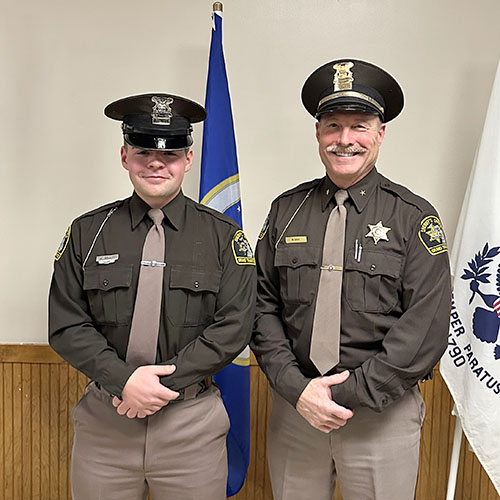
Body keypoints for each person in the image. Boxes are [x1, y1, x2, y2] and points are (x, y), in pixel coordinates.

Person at [251, 59, 451, 500]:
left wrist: (349, 394)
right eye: (333, 126)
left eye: (359, 126)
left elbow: (425, 328)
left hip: (381, 417)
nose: (345, 140)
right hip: (296, 410)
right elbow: (260, 306)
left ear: (380, 133)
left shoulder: (413, 217)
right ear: (318, 133)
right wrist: (296, 389)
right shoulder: (286, 211)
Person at [48, 93, 256, 500]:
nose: (156, 162)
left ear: (189, 159)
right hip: (106, 423)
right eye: (143, 150)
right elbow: (67, 323)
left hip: (190, 423)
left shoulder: (223, 236)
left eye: (172, 153)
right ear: (125, 156)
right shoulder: (87, 233)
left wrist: (155, 386)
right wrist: (123, 381)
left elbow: (235, 326)